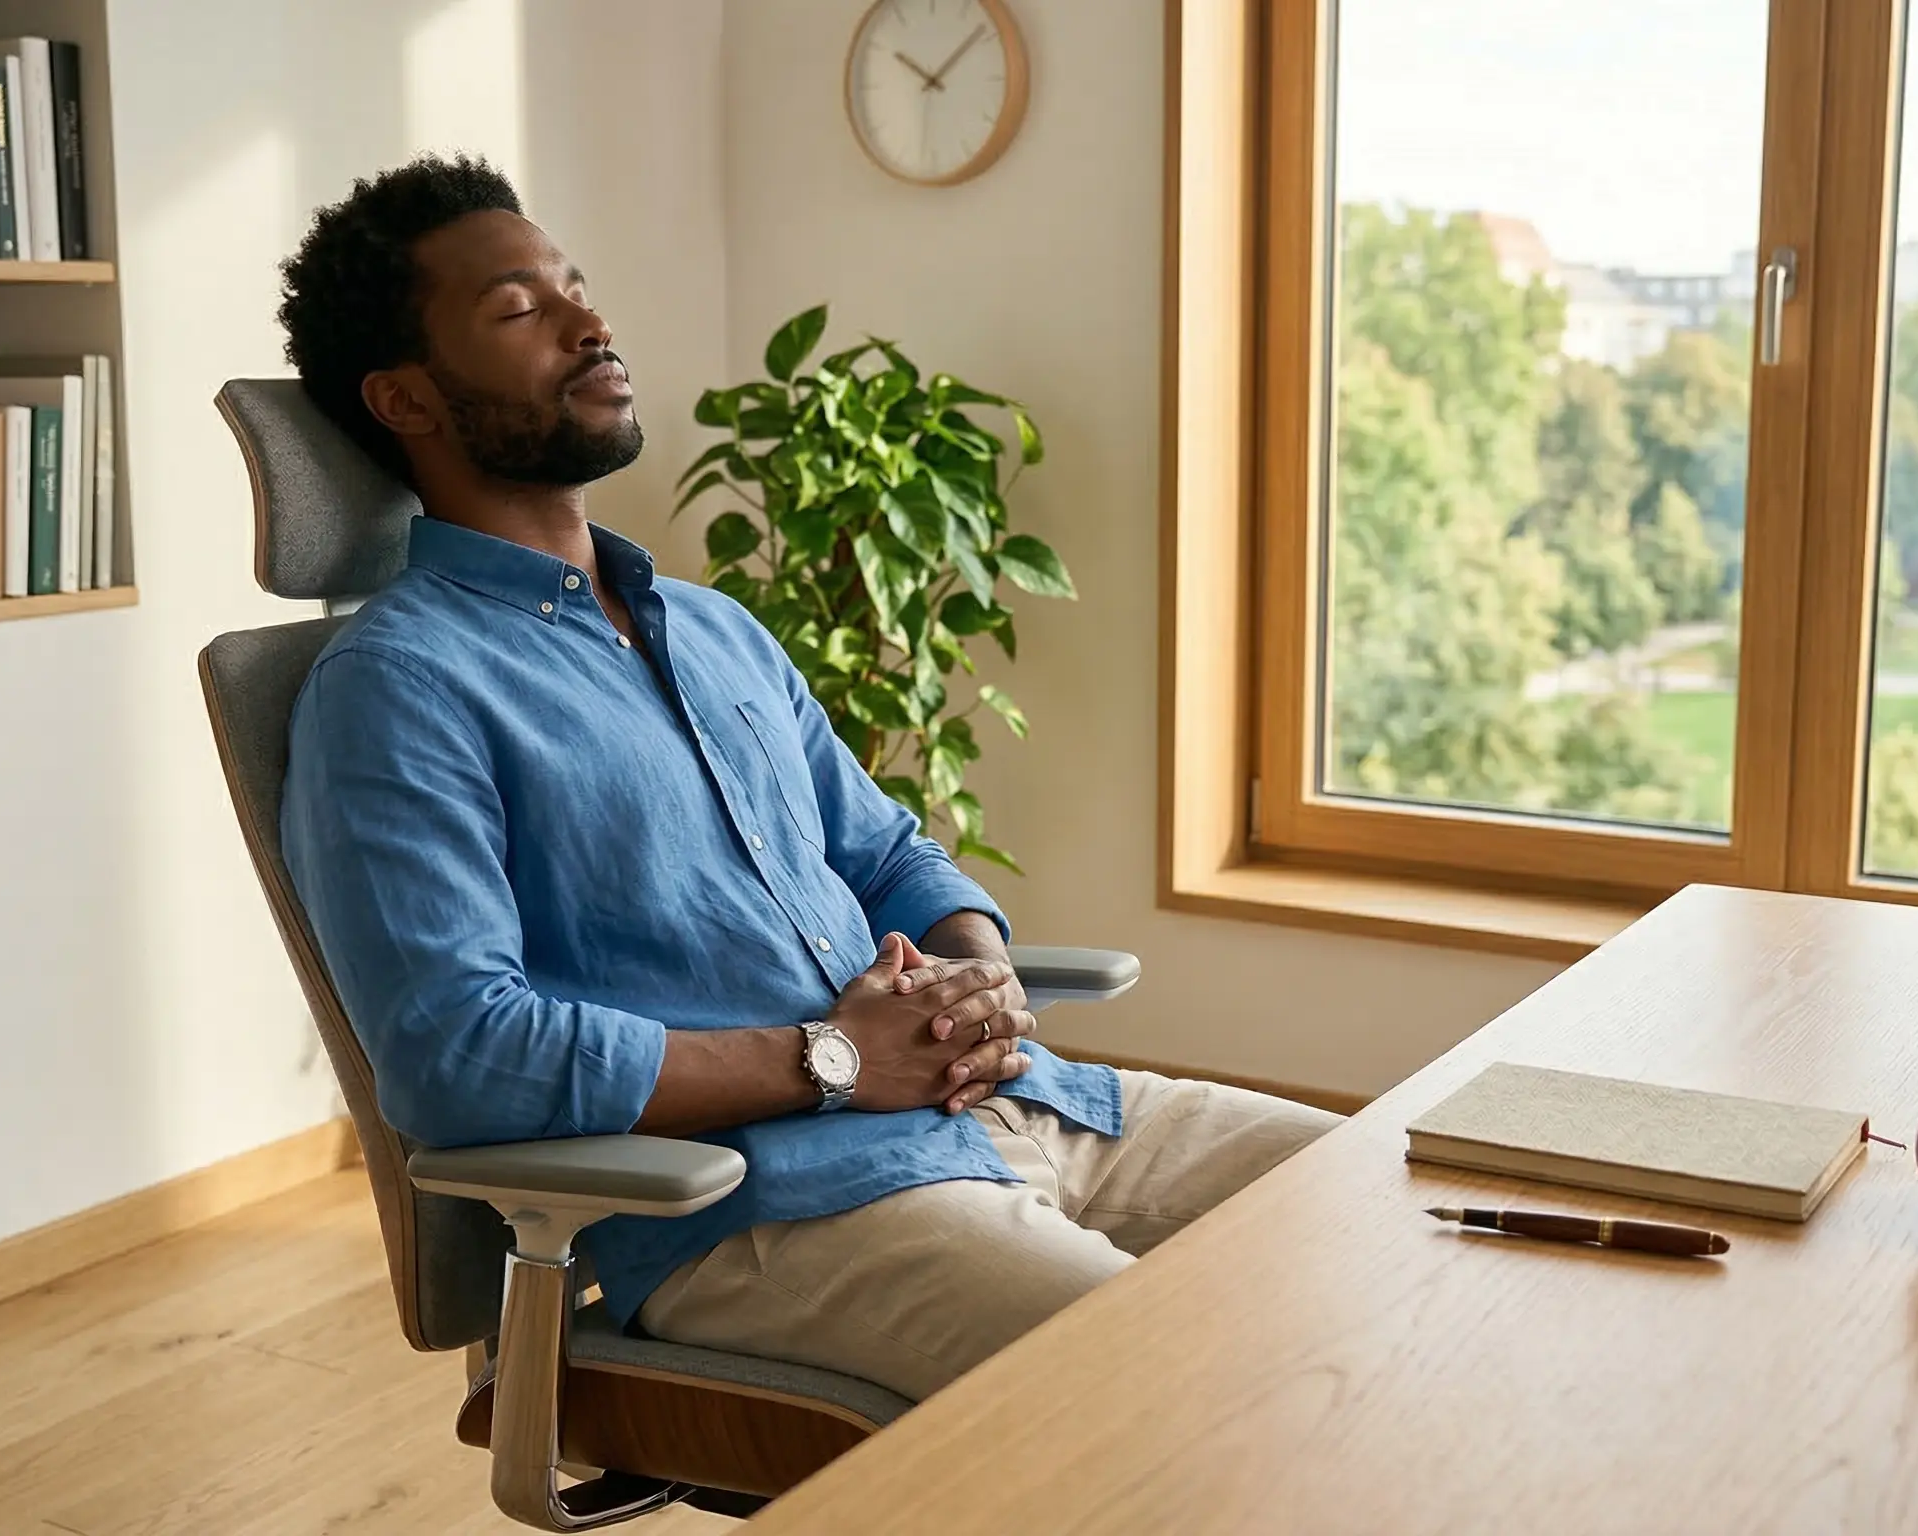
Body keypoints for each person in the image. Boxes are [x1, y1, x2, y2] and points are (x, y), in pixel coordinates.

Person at [275, 154, 1337, 1402]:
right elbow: (460, 1057)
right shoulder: (399, 686)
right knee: (1201, 1387)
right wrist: (833, 1057)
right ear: (404, 399)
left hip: (1023, 1106)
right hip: (772, 1209)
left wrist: (970, 968)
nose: (589, 323)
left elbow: (885, 853)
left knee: (1398, 1197)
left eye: (577, 287)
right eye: (519, 310)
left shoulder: (714, 627)